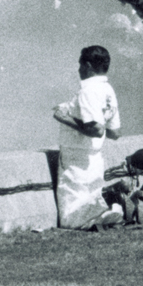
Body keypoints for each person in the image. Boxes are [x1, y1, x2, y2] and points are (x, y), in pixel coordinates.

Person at [52, 45, 124, 230]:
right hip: (95, 158)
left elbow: (96, 129)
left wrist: (65, 118)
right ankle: (111, 206)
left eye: (80, 64)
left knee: (69, 216)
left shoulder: (87, 91)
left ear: (89, 66)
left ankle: (109, 204)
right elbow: (114, 132)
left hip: (76, 157)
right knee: (90, 197)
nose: (78, 69)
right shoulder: (108, 90)